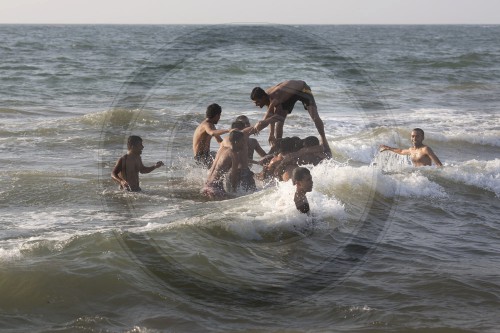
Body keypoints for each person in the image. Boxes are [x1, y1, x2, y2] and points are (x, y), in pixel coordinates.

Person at [250, 80, 332, 156]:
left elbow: (270, 118)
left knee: (314, 116)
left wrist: (261, 123)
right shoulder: (267, 96)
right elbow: (270, 114)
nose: (256, 104)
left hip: (302, 89)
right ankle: (278, 148)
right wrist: (271, 134)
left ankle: (324, 141)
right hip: (288, 94)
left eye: (257, 102)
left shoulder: (275, 96)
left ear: (263, 98)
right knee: (279, 123)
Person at [201, 130, 246, 199]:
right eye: (242, 141)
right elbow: (234, 175)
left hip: (207, 185)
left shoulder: (222, 149)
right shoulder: (233, 154)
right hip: (215, 189)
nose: (244, 143)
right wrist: (234, 190)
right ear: (236, 142)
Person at [192, 103, 231, 169]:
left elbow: (220, 141)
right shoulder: (206, 125)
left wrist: (232, 147)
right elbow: (212, 133)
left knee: (228, 157)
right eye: (219, 115)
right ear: (216, 115)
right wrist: (228, 130)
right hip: (200, 157)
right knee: (224, 164)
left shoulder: (211, 125)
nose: (219, 118)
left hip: (207, 154)